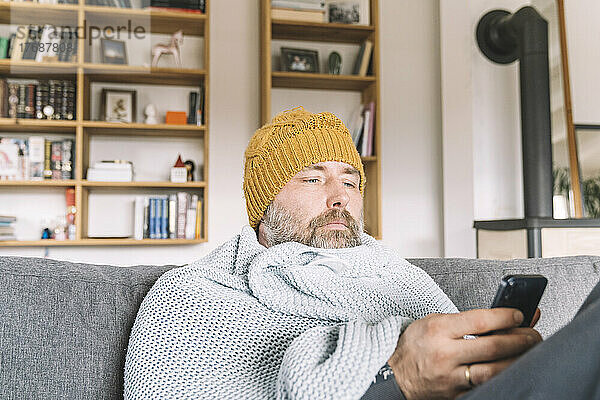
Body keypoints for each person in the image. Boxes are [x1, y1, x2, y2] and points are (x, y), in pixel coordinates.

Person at [124, 107, 600, 399]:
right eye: (313, 178)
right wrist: (397, 383)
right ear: (265, 203)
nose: (340, 197)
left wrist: (489, 355)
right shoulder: (192, 298)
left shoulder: (394, 274)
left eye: (350, 181)